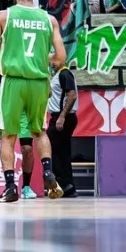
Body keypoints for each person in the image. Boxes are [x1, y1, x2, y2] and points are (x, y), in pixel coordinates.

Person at [0, 0, 66, 203]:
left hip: (14, 81)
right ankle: (48, 172)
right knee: (39, 132)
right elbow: (60, 57)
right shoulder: (49, 20)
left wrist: (4, 45)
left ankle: (10, 187)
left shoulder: (4, 16)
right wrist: (41, 57)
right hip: (39, 82)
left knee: (8, 136)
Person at [46, 65, 78, 196]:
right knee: (63, 153)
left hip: (62, 117)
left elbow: (72, 95)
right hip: (59, 116)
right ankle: (70, 188)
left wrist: (62, 116)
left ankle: (63, 182)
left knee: (48, 149)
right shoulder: (56, 75)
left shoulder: (64, 73)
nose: (51, 63)